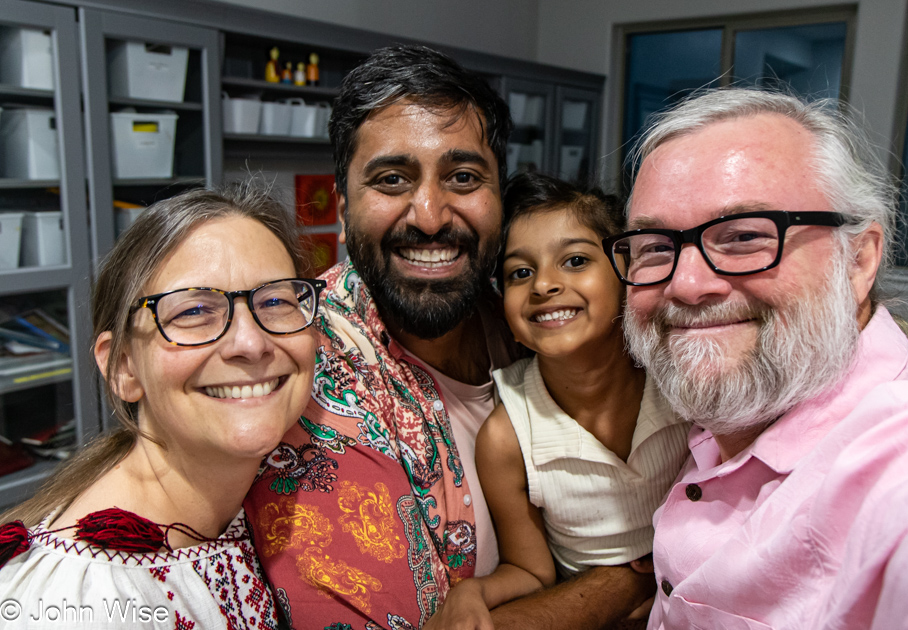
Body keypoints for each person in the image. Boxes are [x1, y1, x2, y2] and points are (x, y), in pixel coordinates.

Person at [244, 45, 656, 629]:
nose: (431, 215)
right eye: (392, 179)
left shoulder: (528, 323)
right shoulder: (310, 374)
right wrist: (628, 578)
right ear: (342, 209)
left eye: (463, 177)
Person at [603, 87, 908, 629]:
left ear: (858, 260)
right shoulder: (746, 395)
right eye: (655, 247)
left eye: (743, 236)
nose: (688, 286)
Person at [0, 184, 321, 628]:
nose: (251, 343)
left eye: (275, 302)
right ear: (125, 368)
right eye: (193, 312)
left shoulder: (256, 509)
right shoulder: (83, 602)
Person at [423, 173, 689, 630]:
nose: (544, 285)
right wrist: (473, 592)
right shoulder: (509, 437)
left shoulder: (682, 380)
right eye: (520, 272)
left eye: (575, 260)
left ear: (627, 270)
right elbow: (532, 572)